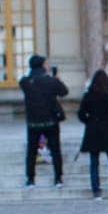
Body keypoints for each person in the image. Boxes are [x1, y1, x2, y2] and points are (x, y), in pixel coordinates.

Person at [77, 69, 108, 199]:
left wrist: (89, 122)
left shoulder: (88, 96)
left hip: (93, 129)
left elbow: (81, 114)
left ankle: (96, 190)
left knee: (94, 162)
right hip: (107, 129)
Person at [19, 54, 68, 189]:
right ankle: (58, 178)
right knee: (55, 150)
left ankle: (30, 179)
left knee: (31, 151)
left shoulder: (25, 82)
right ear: (42, 65)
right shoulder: (51, 81)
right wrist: (57, 78)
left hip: (33, 122)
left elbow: (24, 82)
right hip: (51, 121)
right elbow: (64, 92)